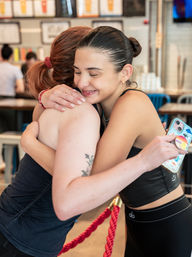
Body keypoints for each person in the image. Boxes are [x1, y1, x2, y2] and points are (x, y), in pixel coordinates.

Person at [0, 26, 180, 257]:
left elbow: (86, 193)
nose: (84, 81)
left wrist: (31, 144)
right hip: (22, 235)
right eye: (79, 71)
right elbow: (82, 191)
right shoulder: (81, 109)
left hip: (163, 221)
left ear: (124, 71)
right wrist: (45, 98)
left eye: (94, 73)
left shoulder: (117, 106)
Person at [0, 44, 24, 132]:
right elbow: (21, 89)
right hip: (10, 102)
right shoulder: (15, 69)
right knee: (11, 130)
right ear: (11, 56)